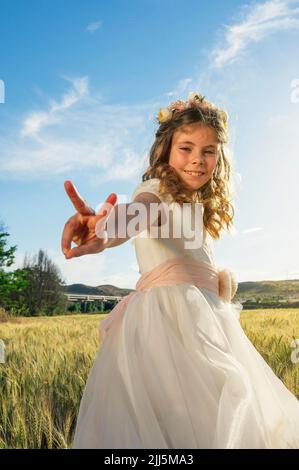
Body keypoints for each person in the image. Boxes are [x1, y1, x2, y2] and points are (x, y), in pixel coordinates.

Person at [61, 92, 299, 449]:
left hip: (208, 321)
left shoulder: (198, 208)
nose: (197, 161)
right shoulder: (155, 192)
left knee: (227, 412)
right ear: (166, 151)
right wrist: (105, 228)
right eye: (186, 148)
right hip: (168, 324)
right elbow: (134, 215)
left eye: (208, 151)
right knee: (193, 415)